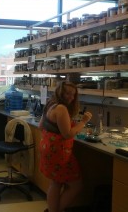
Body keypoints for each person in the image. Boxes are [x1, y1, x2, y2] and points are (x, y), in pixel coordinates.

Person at [38, 81, 92, 212]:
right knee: (76, 185)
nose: (71, 97)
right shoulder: (61, 108)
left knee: (56, 182)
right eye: (68, 93)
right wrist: (84, 122)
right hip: (59, 152)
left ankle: (52, 209)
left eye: (73, 95)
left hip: (48, 147)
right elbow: (68, 134)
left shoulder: (51, 104)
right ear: (60, 92)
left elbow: (41, 125)